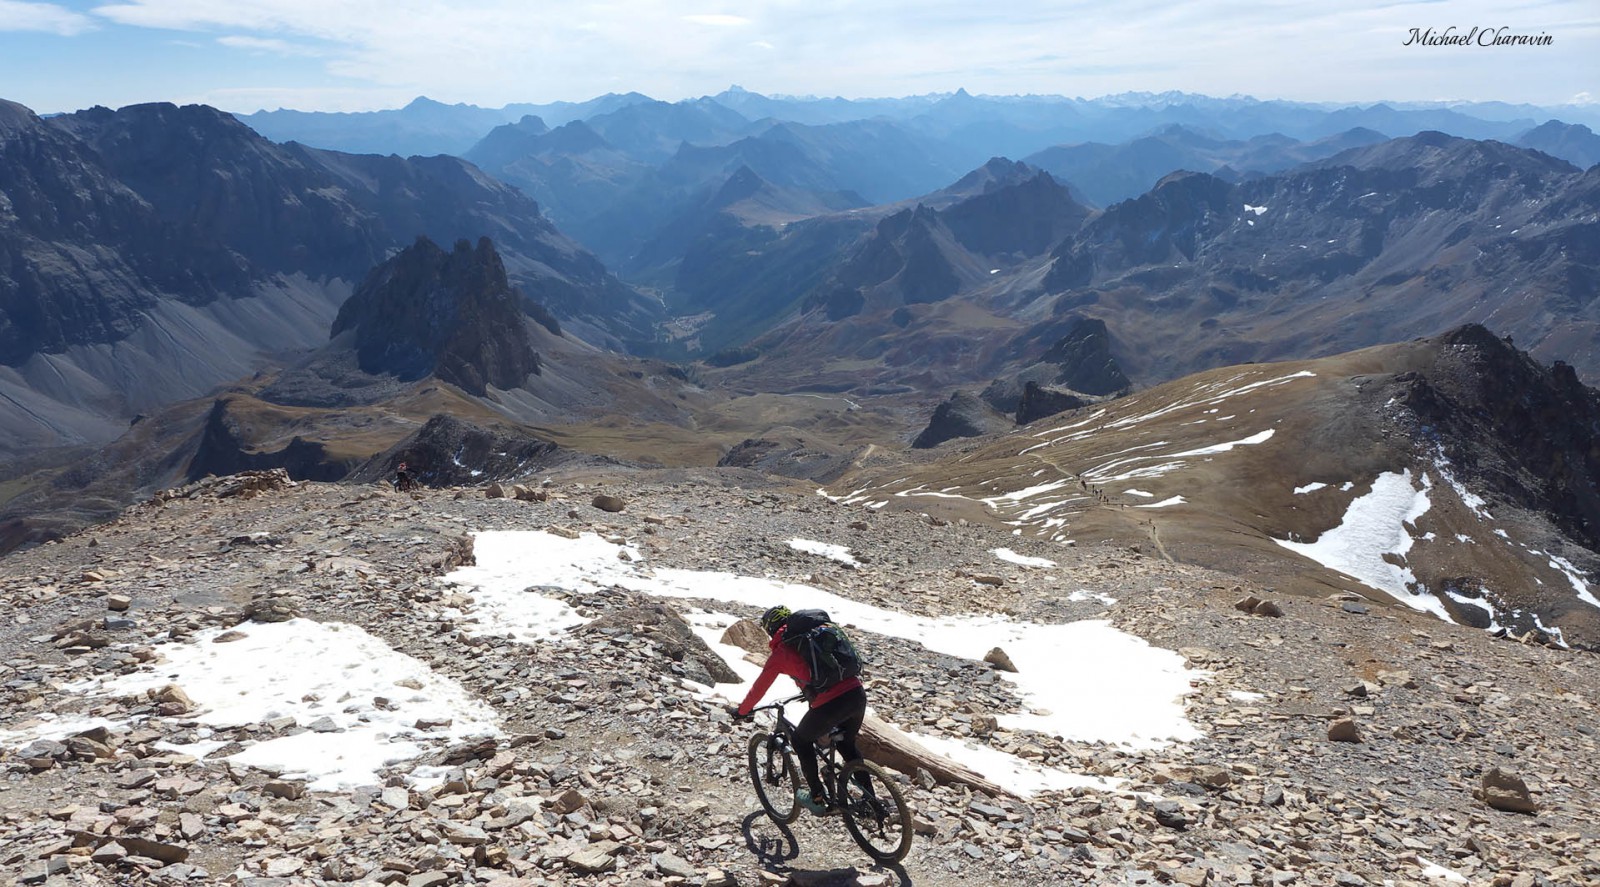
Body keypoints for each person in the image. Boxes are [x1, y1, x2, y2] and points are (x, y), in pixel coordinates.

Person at [735, 605, 867, 815]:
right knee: (847, 744)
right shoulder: (819, 633)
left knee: (800, 740)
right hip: (857, 694)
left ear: (770, 629)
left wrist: (742, 711)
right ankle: (871, 801)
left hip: (832, 702)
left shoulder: (783, 651)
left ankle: (816, 797)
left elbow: (759, 687)